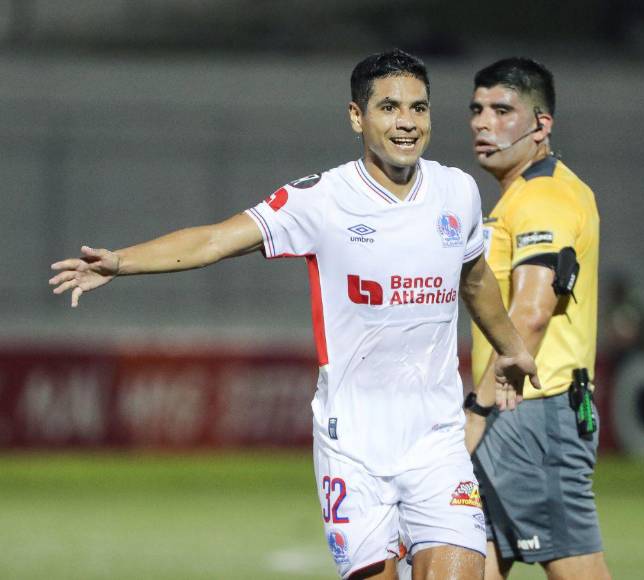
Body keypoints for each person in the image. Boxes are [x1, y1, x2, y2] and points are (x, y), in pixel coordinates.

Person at [49, 49, 539, 580]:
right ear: (357, 117)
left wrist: (511, 348)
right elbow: (216, 240)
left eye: (418, 108)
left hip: (437, 442)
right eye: (389, 107)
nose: (407, 122)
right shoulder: (321, 200)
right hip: (353, 449)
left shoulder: (456, 192)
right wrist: (122, 262)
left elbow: (475, 278)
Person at [464, 57, 612, 580]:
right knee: (465, 558)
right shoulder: (521, 197)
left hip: (531, 411)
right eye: (477, 110)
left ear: (541, 125)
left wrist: (476, 411)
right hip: (513, 412)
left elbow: (530, 313)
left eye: (502, 110)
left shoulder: (545, 198)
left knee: (576, 567)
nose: (484, 123)